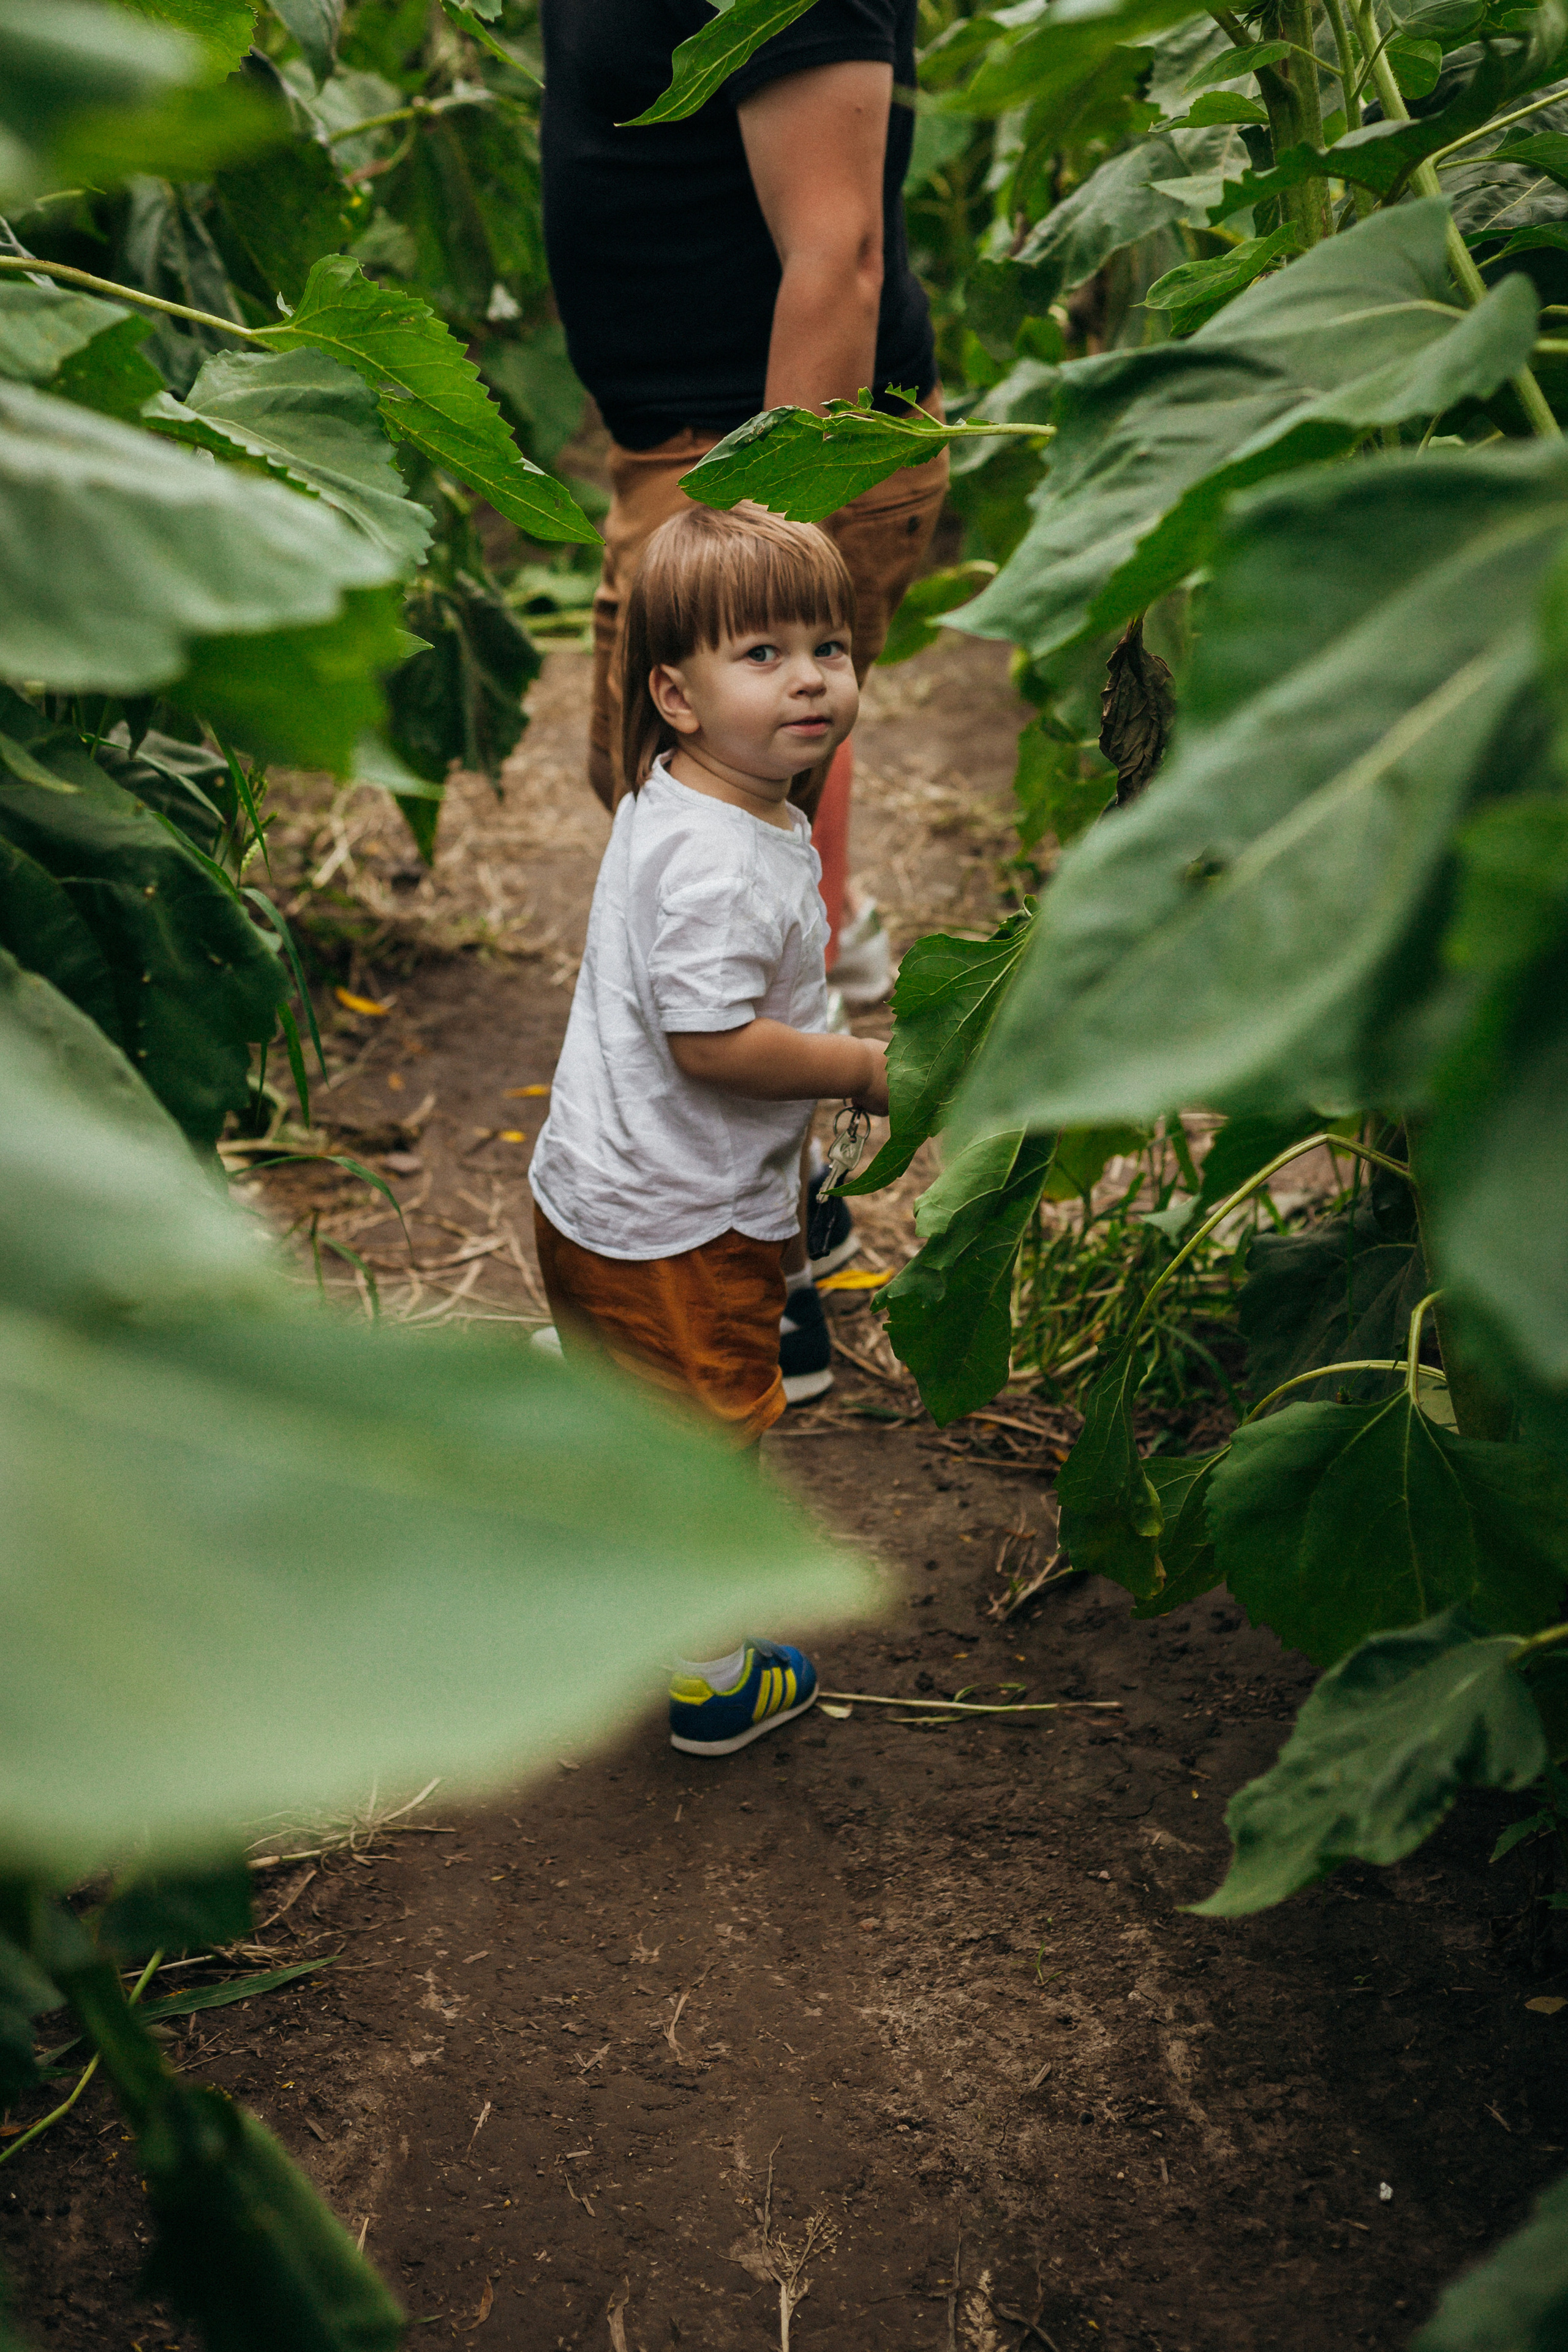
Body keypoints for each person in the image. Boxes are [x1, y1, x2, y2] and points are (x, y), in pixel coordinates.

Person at [539, 0, 946, 1395]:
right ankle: (767, 1244)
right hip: (703, 465)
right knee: (712, 859)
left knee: (698, 856)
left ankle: (748, 1287)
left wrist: (748, 591)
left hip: (751, 472)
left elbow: (832, 250)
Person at [527, 504, 887, 1756]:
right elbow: (710, 1043)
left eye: (826, 648)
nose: (809, 678)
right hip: (671, 1220)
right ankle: (708, 1676)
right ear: (675, 696)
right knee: (711, 1428)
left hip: (607, 1191)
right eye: (764, 654)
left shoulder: (682, 794)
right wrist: (859, 1069)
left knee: (638, 1398)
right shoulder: (720, 859)